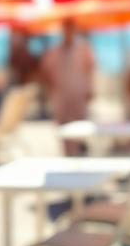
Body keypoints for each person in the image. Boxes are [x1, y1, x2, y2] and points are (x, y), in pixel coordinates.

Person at [39, 18, 95, 155]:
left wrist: (90, 88)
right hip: (61, 95)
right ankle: (69, 156)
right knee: (63, 128)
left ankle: (80, 154)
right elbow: (45, 71)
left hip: (78, 93)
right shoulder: (55, 50)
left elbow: (90, 69)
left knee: (80, 126)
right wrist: (52, 87)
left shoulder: (83, 48)